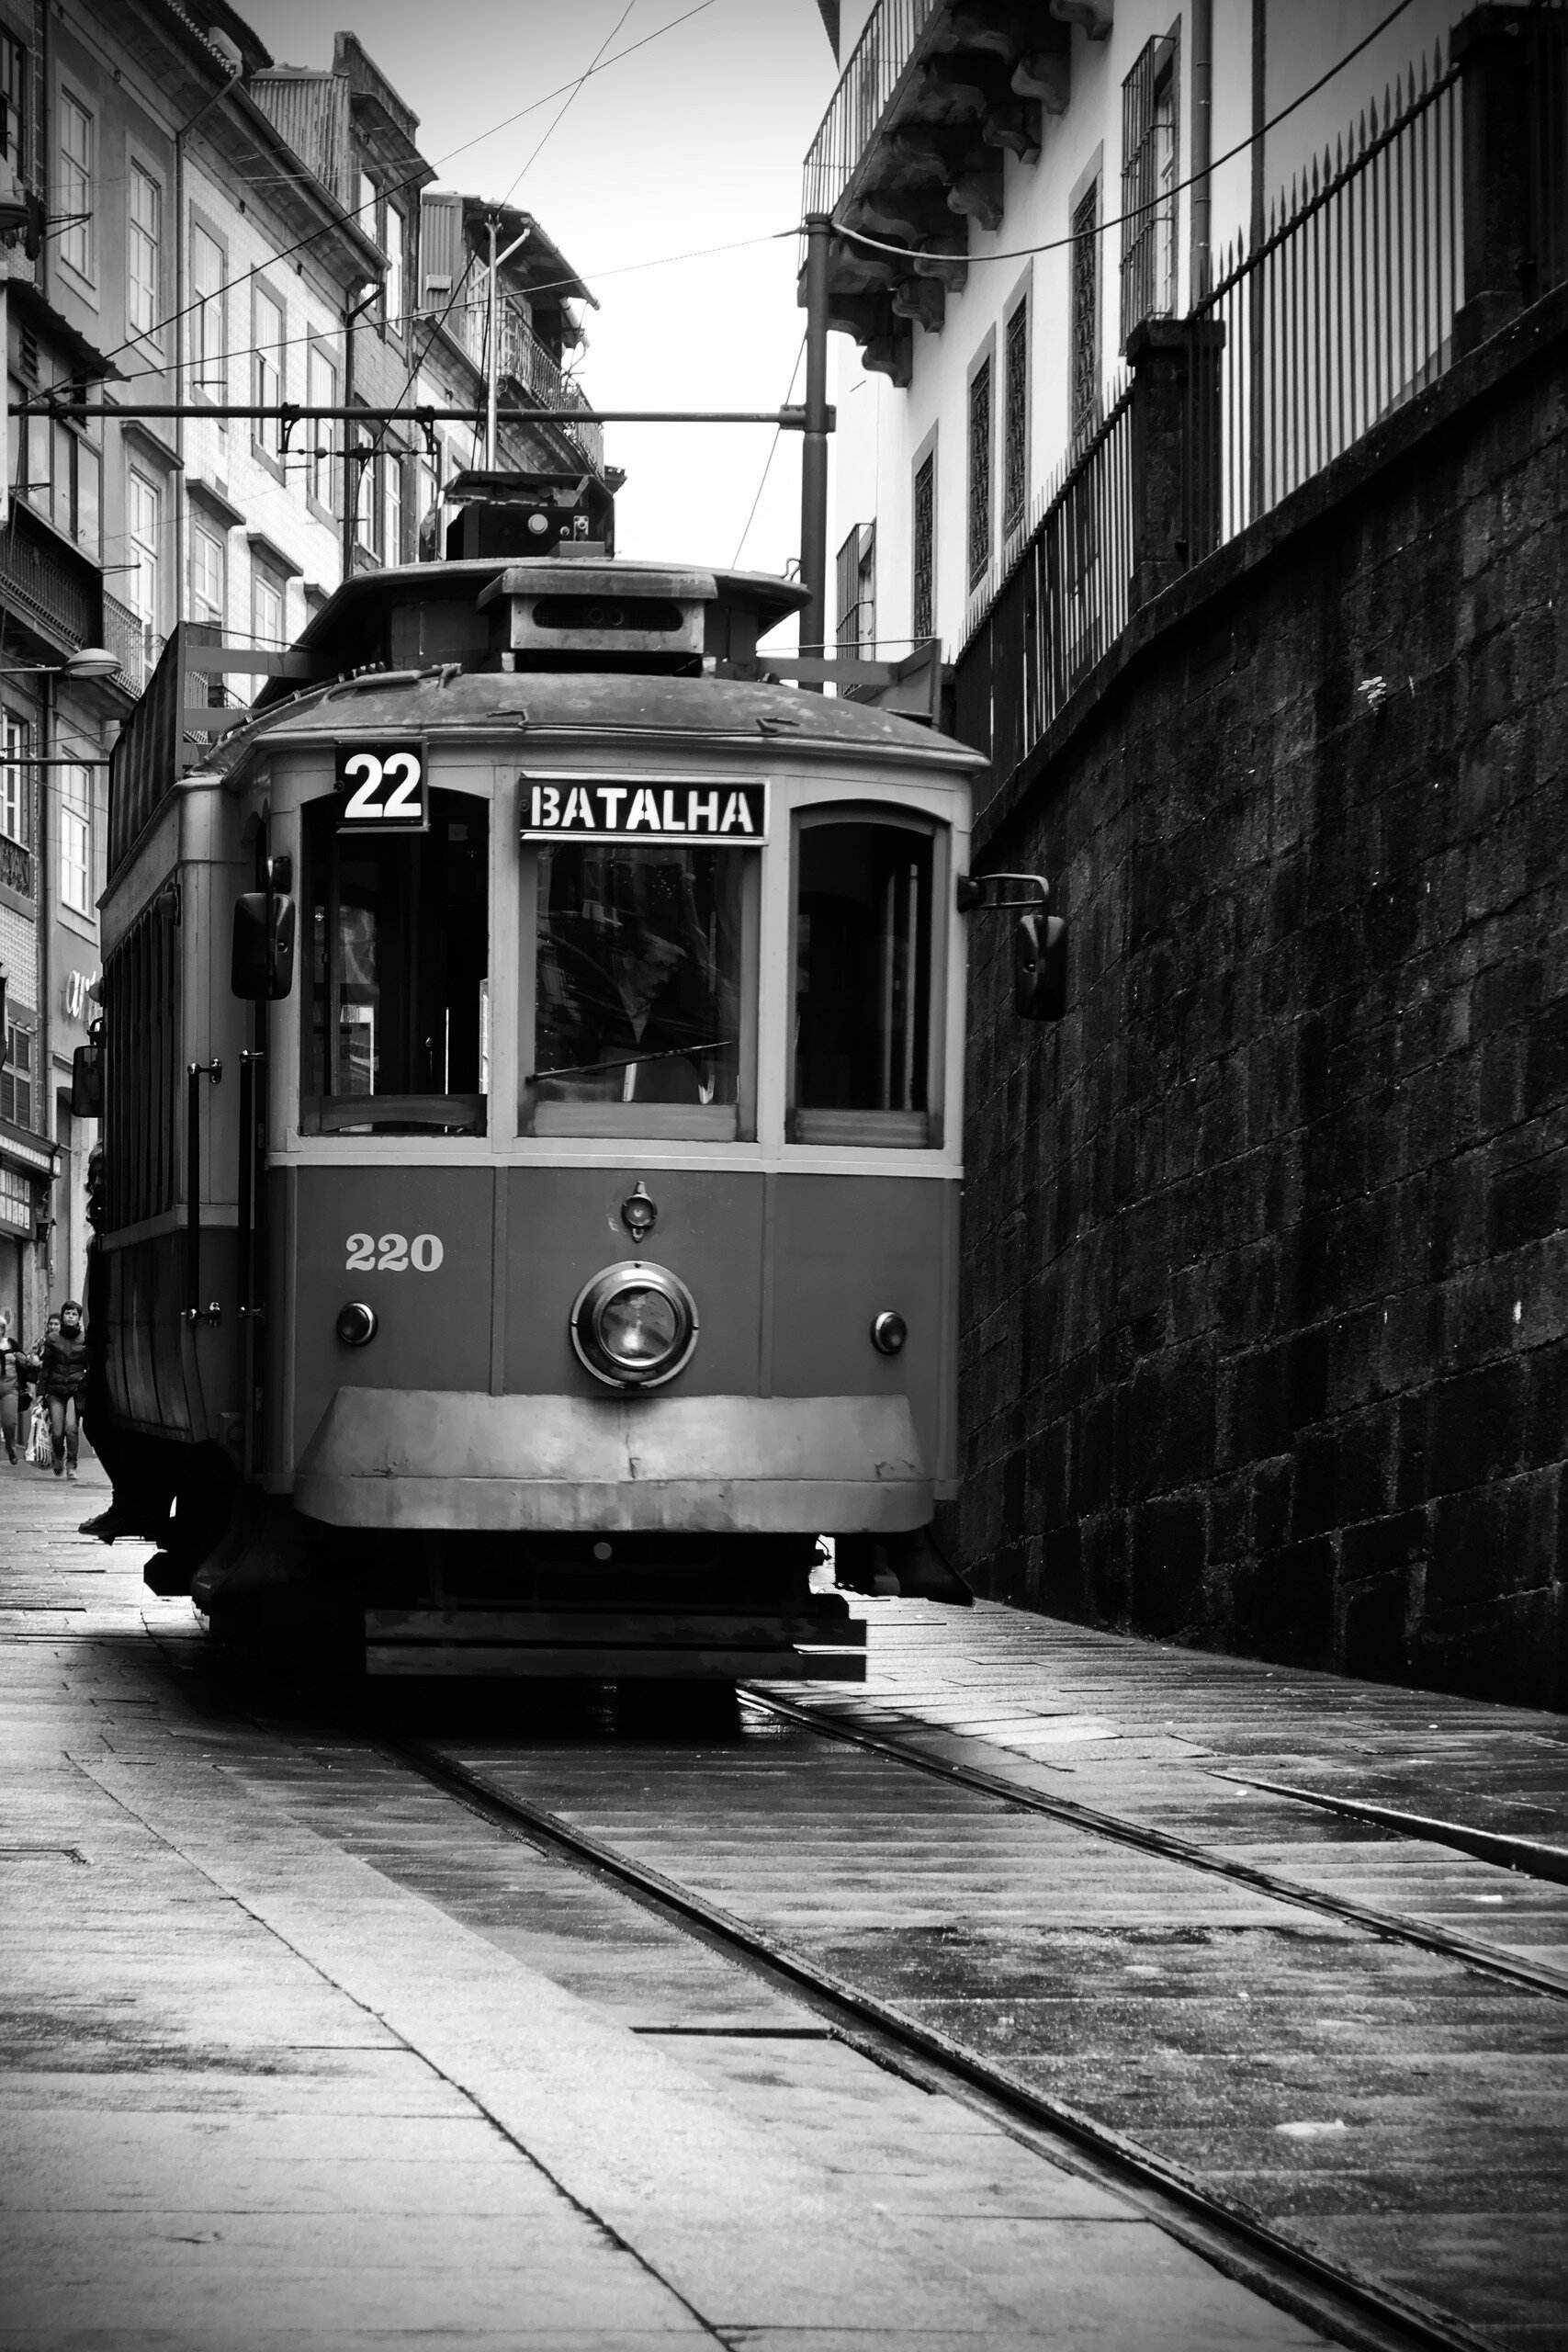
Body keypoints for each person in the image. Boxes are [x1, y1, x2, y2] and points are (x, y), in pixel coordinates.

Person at [38, 1300, 88, 1480]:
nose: (70, 1317)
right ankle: (58, 1455)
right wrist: (40, 1391)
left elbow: (89, 1366)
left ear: (78, 1319)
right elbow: (46, 1367)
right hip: (56, 1390)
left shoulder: (84, 1339)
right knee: (57, 1431)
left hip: (75, 1389)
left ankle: (72, 1464)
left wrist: (85, 1384)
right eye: (68, 1313)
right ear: (63, 1315)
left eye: (74, 1314)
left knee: (72, 1428)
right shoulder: (53, 1339)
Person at [0, 1311, 38, 1466]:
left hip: (10, 1389)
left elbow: (25, 1363)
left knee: (10, 1422)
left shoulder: (10, 1344)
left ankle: (10, 1446)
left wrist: (29, 1361)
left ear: (3, 1329)